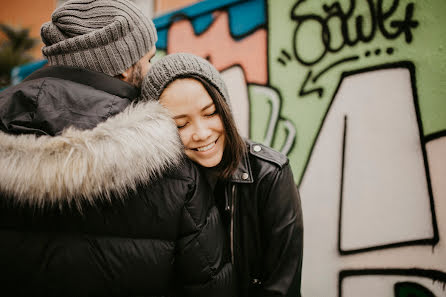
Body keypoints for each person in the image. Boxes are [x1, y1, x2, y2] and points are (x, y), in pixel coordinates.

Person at [0, 1, 233, 296]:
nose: (151, 70)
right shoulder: (165, 150)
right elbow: (209, 283)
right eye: (148, 58)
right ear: (122, 64)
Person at [142, 53, 304, 297]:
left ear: (224, 106)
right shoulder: (158, 185)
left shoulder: (269, 175)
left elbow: (282, 285)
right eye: (181, 125)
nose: (201, 133)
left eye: (210, 113)